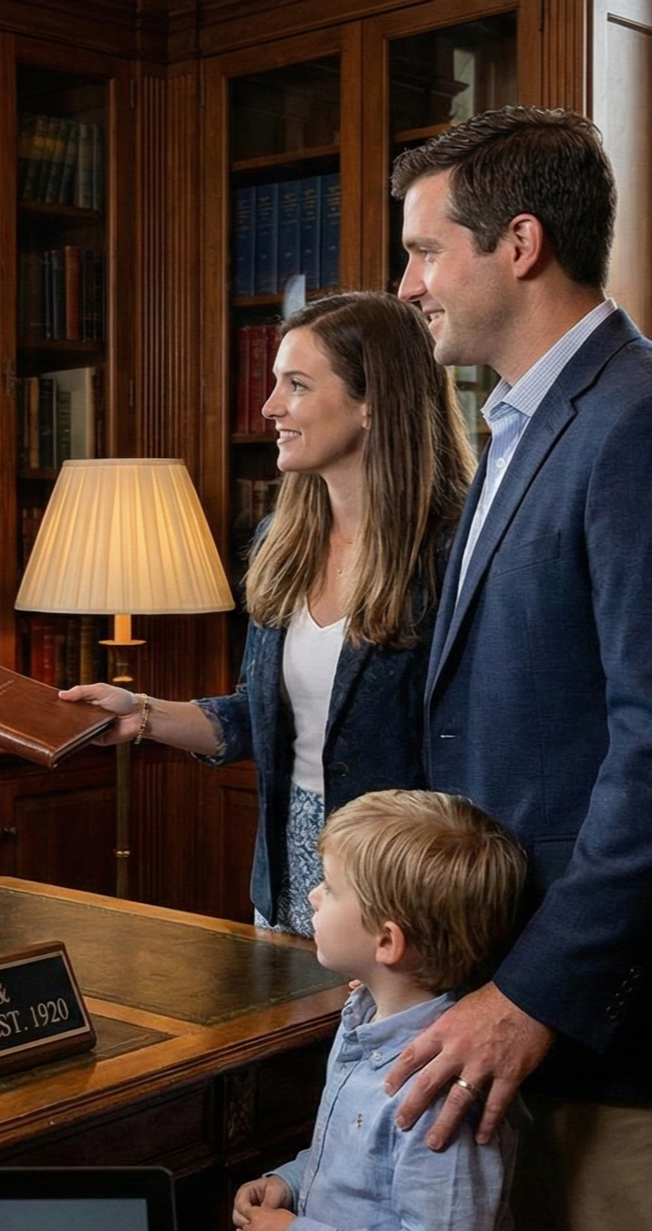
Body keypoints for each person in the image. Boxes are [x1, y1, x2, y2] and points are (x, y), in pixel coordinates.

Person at [381, 107, 652, 1231]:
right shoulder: (524, 423)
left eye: (426, 250)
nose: (407, 282)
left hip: (630, 1023)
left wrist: (531, 994)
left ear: (519, 245)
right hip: (522, 994)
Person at [63, 291, 473, 934]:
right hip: (282, 880)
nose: (269, 407)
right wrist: (141, 716)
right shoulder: (280, 541)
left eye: (297, 385)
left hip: (402, 899)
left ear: (373, 404)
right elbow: (259, 717)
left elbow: (472, 761)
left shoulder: (456, 552)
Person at [232, 789, 528, 1231]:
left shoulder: (434, 1093)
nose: (314, 897)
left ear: (387, 942)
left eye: (330, 888)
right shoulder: (362, 1017)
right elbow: (358, 1163)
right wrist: (291, 1181)